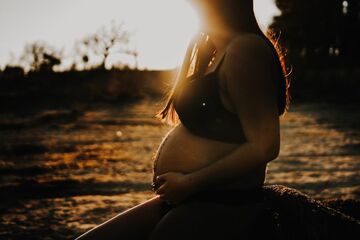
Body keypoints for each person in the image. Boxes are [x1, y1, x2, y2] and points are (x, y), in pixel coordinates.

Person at [74, 0, 290, 239]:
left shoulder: (245, 50)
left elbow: (265, 146)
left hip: (222, 201)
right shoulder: (219, 50)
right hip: (194, 196)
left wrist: (190, 183)